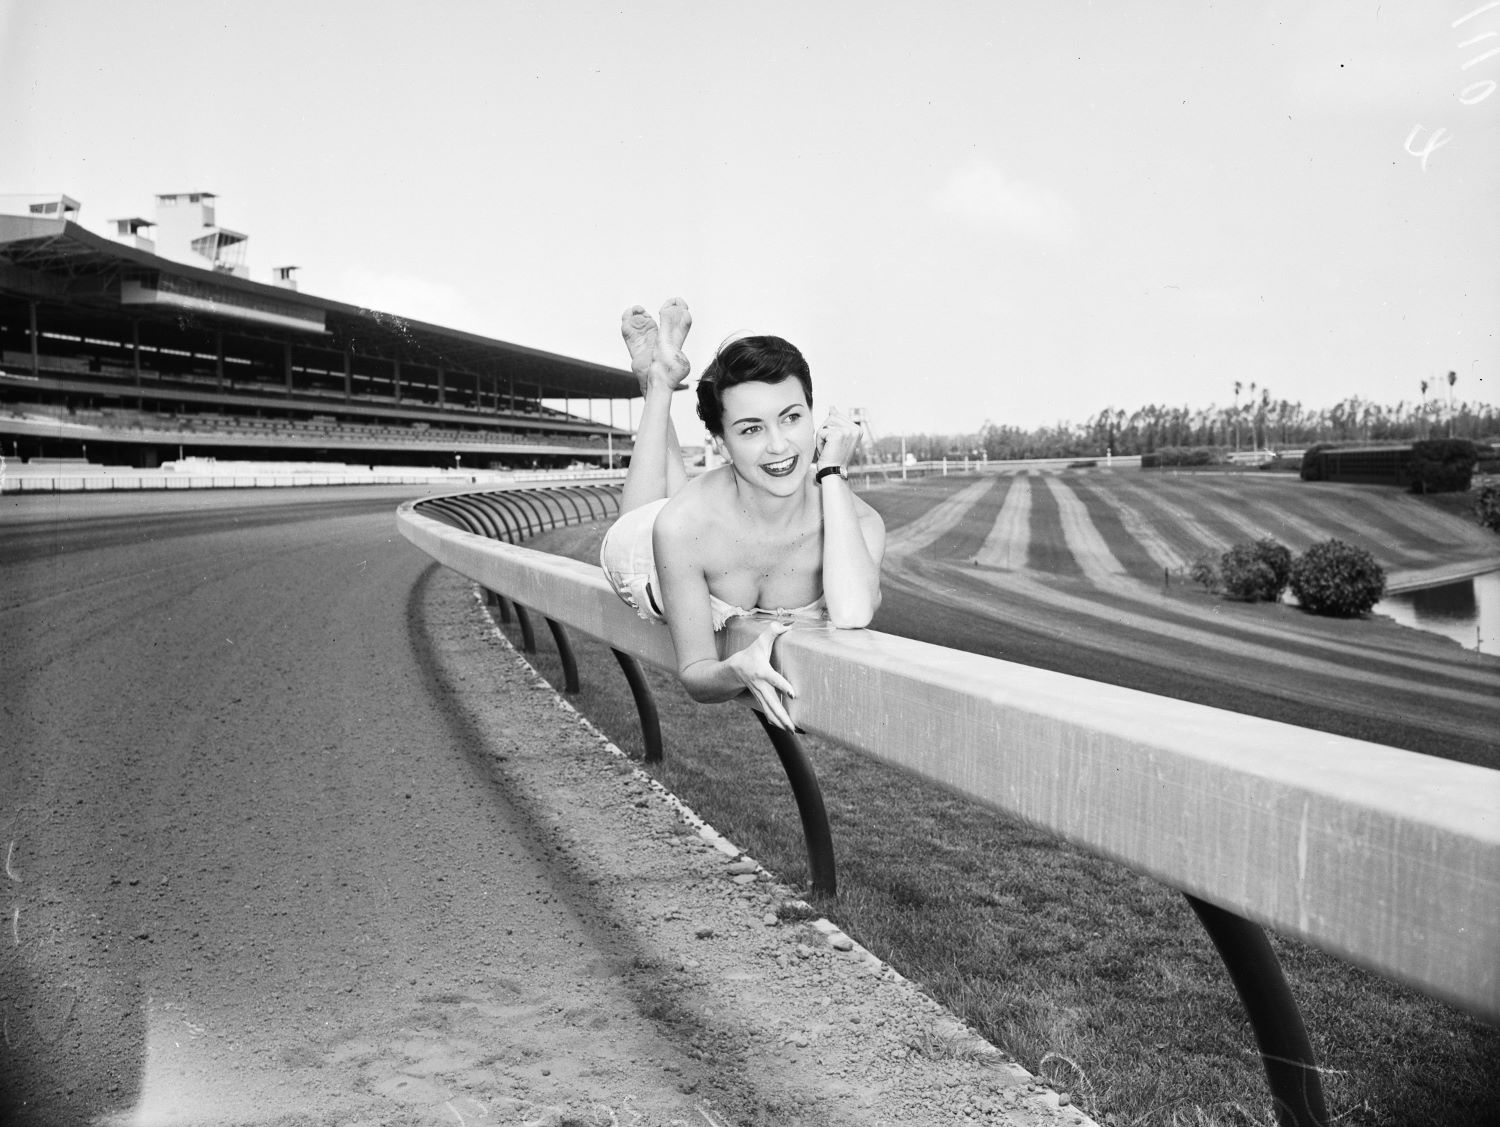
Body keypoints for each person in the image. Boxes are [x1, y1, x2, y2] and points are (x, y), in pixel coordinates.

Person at [600, 298, 885, 729]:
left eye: (791, 418)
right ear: (721, 443)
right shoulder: (679, 526)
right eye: (751, 429)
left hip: (708, 521)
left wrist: (831, 471)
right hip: (643, 559)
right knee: (649, 516)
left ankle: (659, 374)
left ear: (814, 417)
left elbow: (853, 612)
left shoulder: (860, 523)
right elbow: (696, 673)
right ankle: (657, 384)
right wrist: (735, 670)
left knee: (685, 505)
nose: (778, 445)